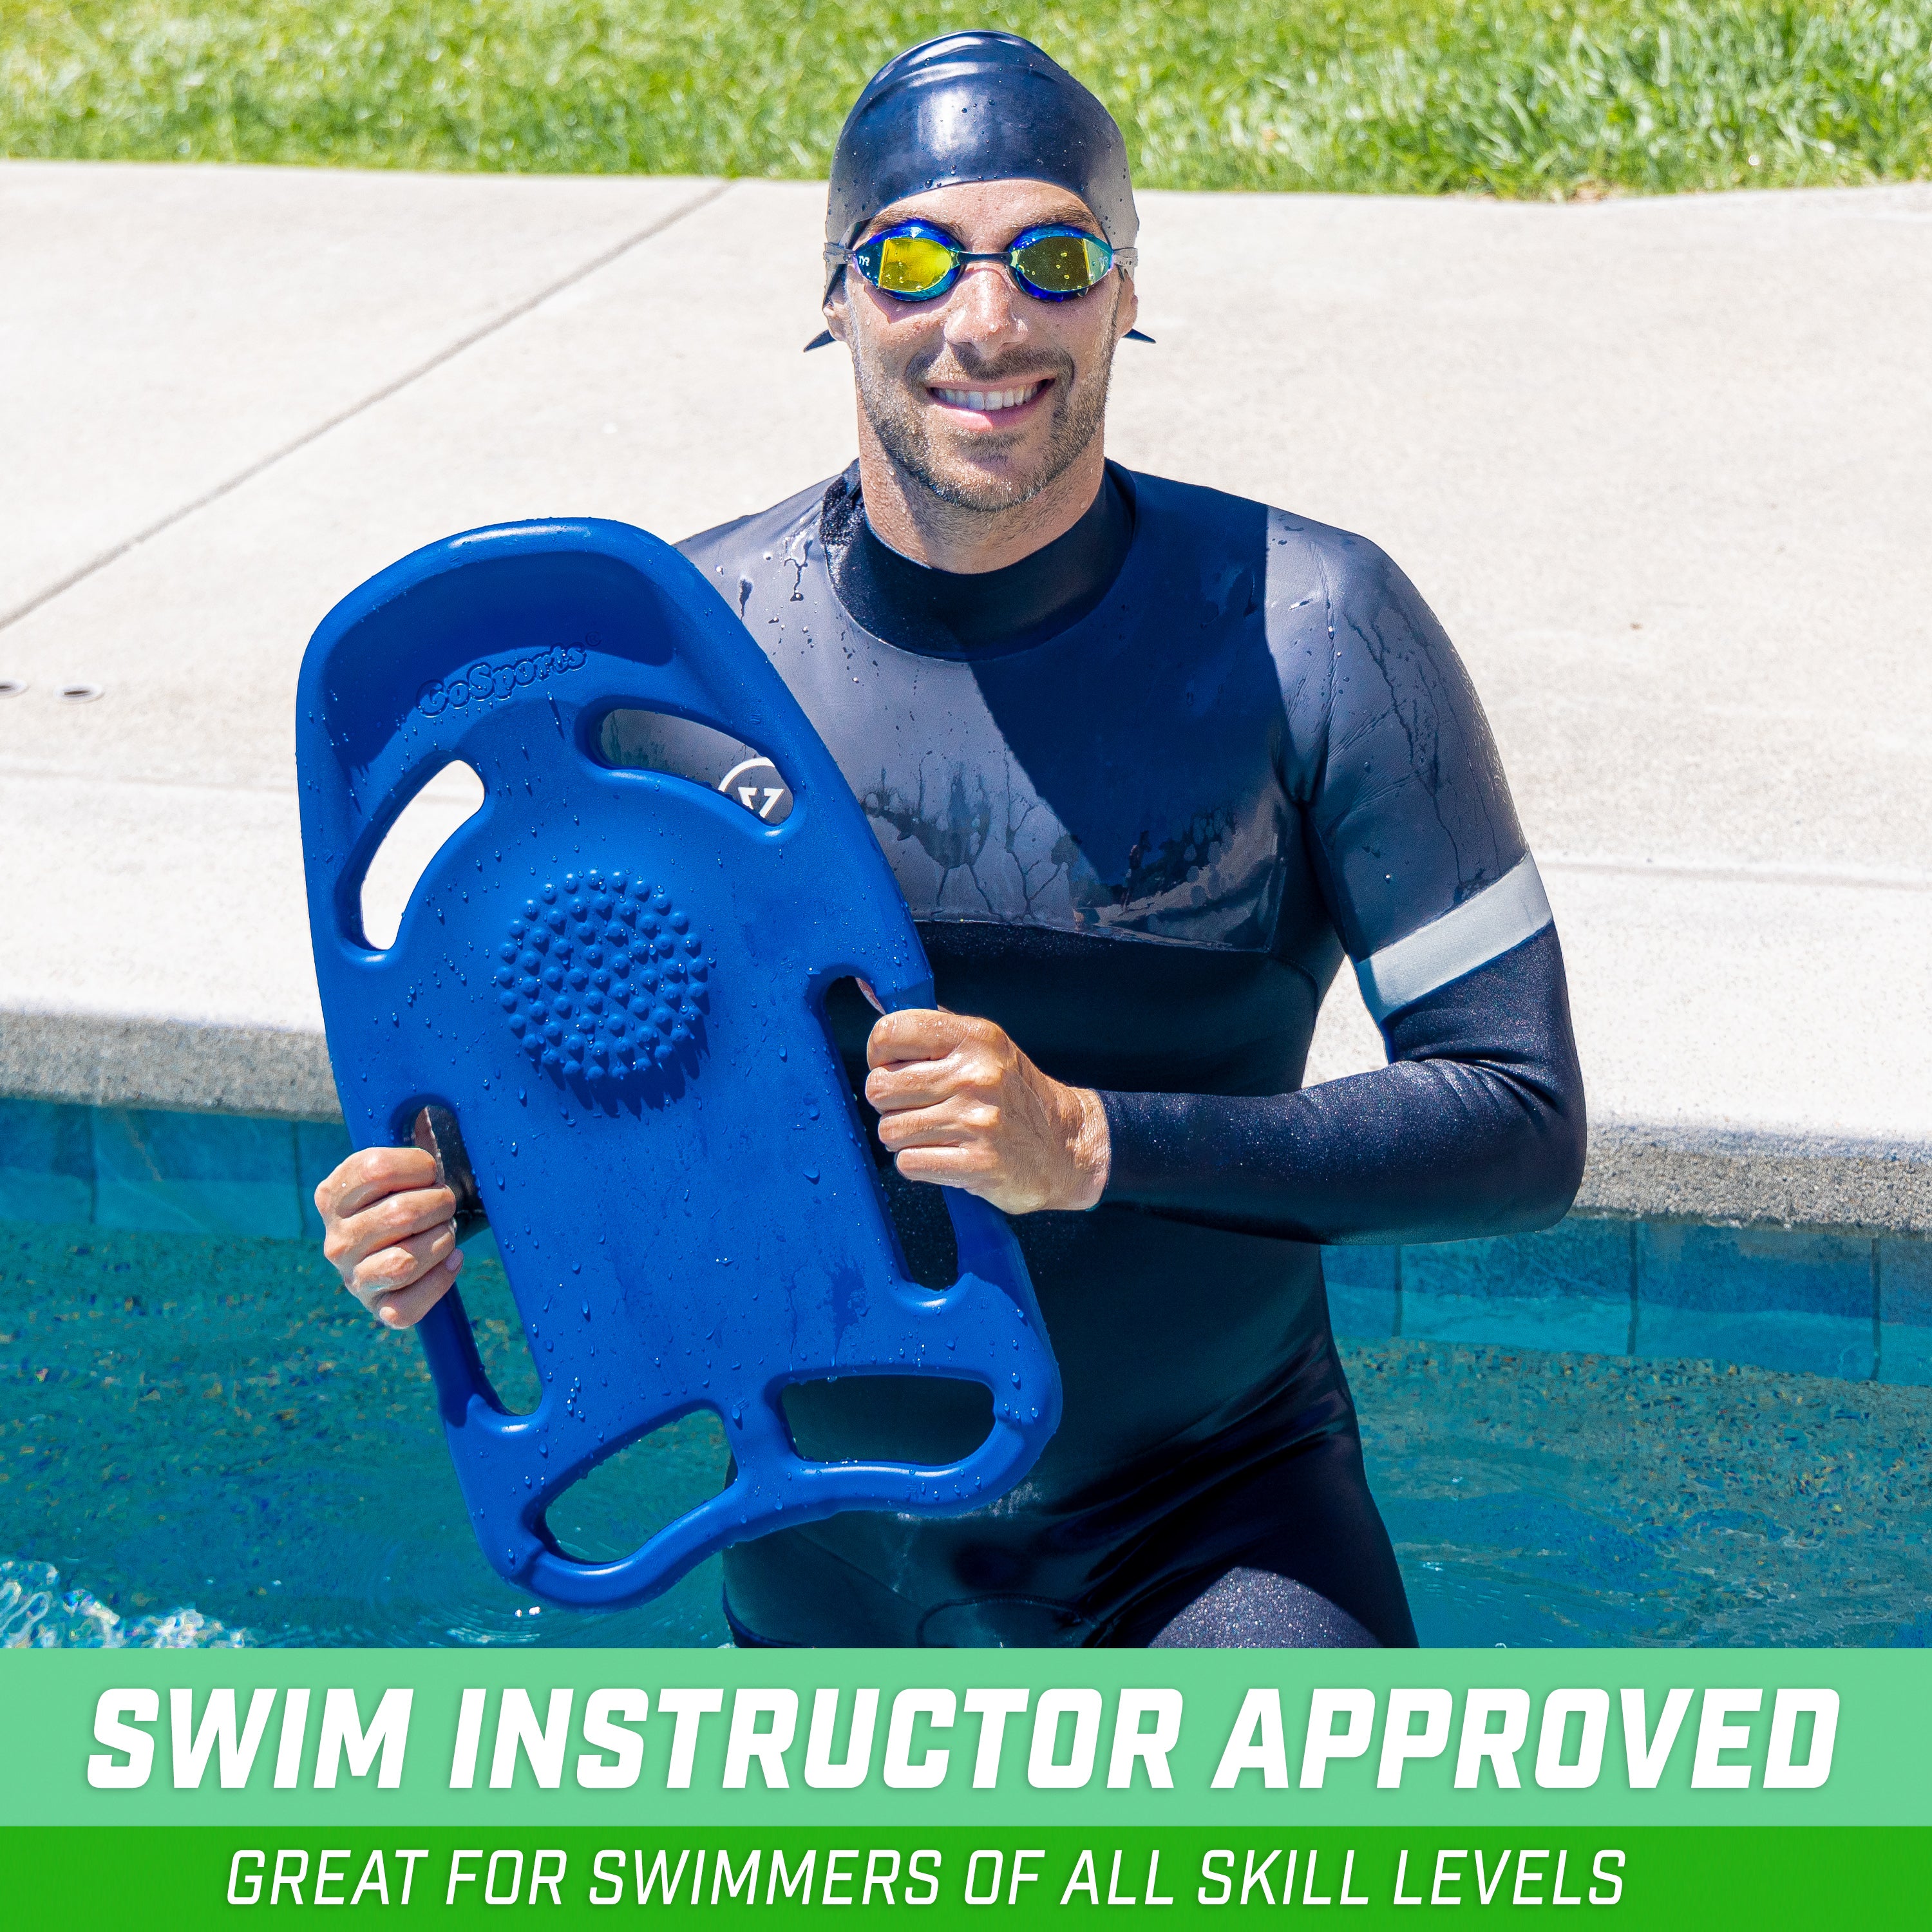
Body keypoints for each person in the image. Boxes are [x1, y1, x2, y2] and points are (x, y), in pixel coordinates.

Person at [315, 32, 1585, 1649]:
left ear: (1127, 293)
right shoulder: (685, 672)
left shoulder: (1312, 634)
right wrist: (441, 1198)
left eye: (1054, 258)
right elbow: (598, 1088)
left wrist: (1093, 1142)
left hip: (1210, 1526)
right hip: (814, 1537)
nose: (986, 322)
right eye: (915, 258)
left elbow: (1521, 1121)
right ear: (836, 295)